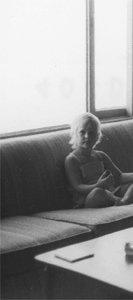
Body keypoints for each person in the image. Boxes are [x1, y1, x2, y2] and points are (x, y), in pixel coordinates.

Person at [65, 112, 133, 208]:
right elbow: (78, 187)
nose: (87, 136)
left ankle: (123, 202)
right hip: (88, 199)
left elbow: (119, 176)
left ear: (97, 136)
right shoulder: (71, 160)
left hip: (109, 192)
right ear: (74, 134)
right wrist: (98, 185)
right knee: (98, 192)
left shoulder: (100, 155)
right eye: (82, 132)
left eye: (92, 133)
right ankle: (120, 202)